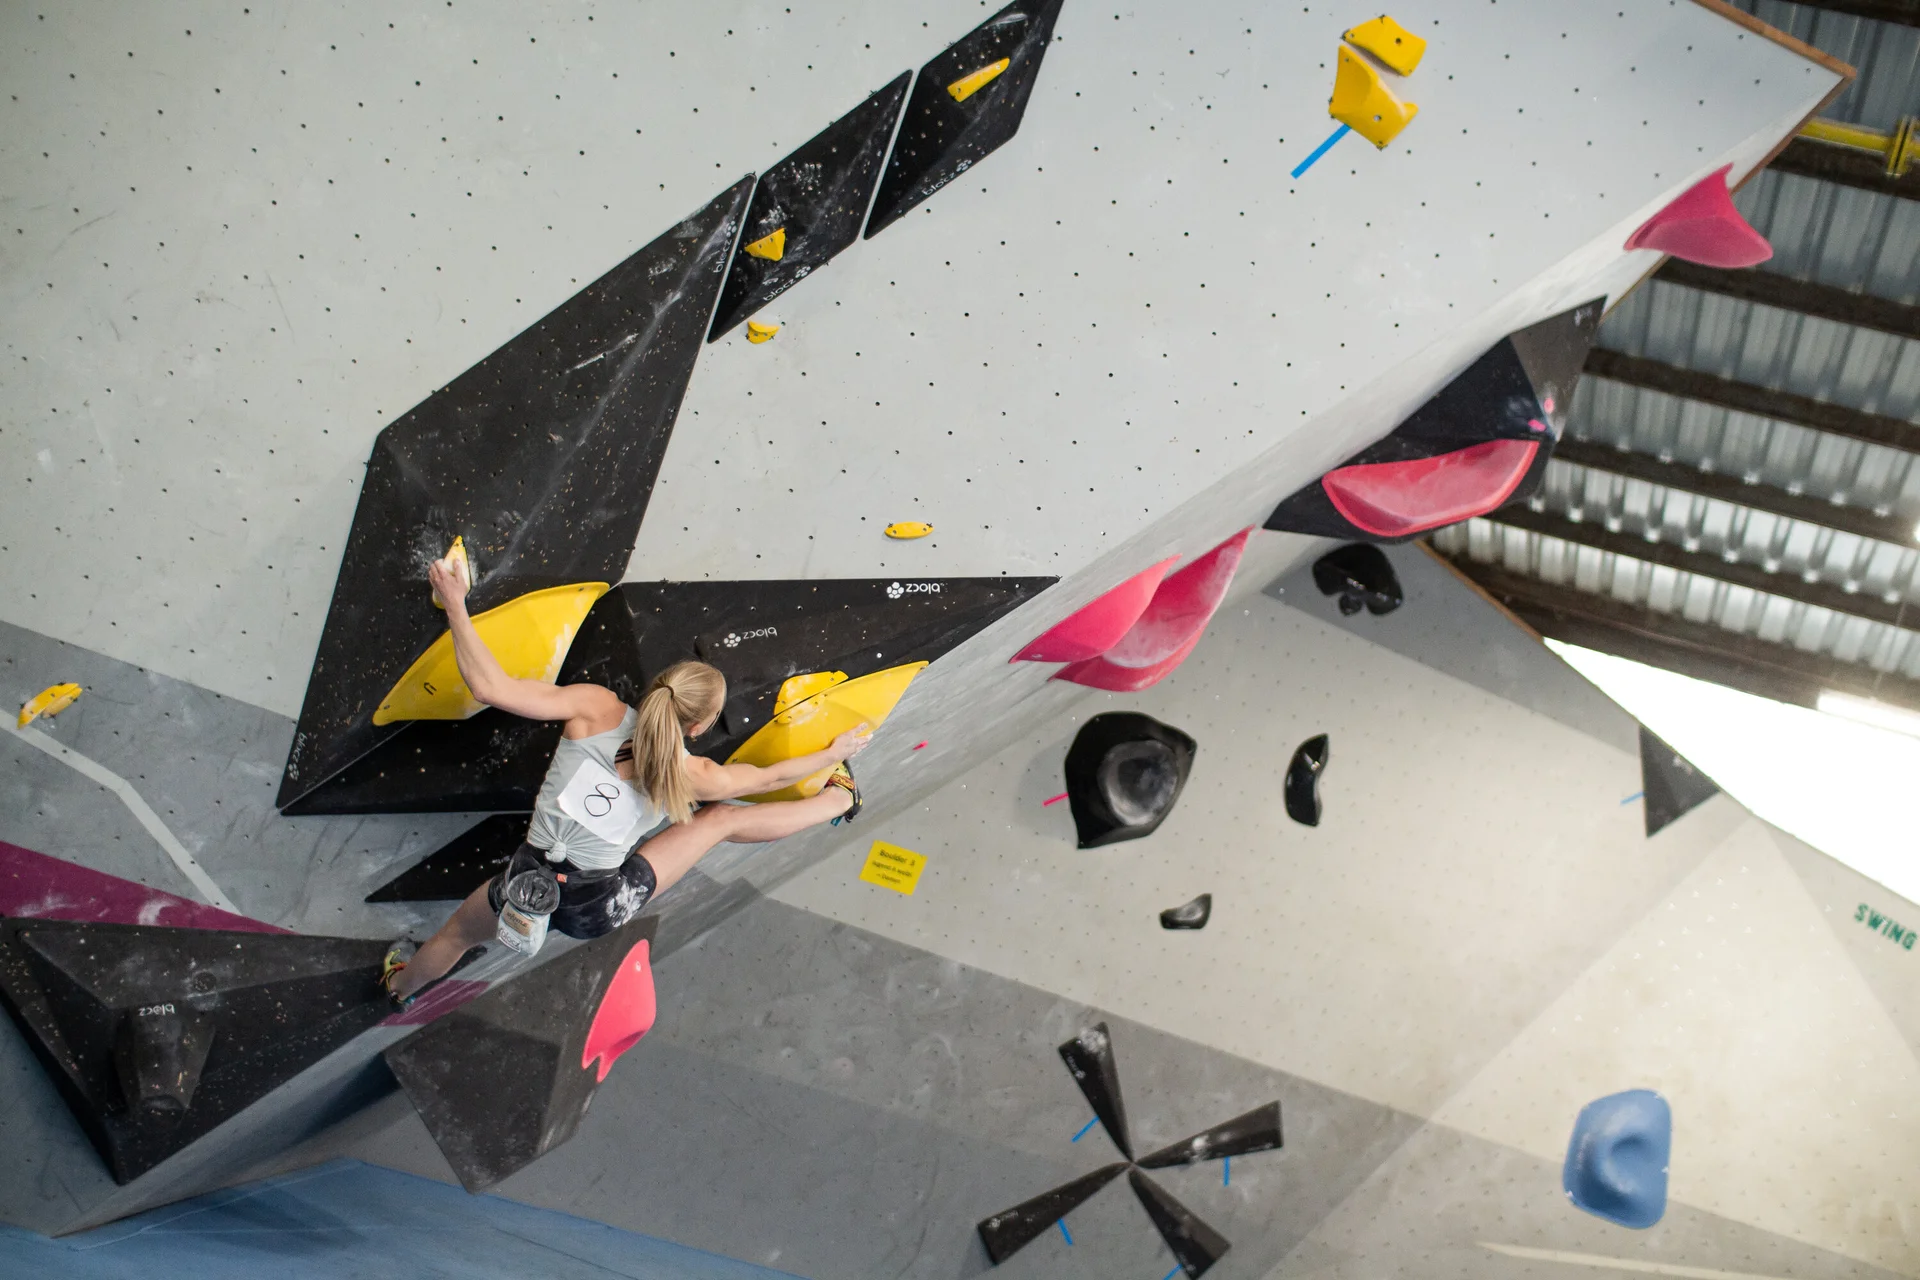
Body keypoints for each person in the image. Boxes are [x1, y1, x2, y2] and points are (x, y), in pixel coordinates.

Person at [383, 556, 869, 1005]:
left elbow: (489, 687)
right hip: (596, 906)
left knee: (457, 935)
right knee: (716, 820)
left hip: (528, 880)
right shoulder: (697, 774)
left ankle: (399, 985)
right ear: (698, 727)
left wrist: (454, 602)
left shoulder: (595, 708)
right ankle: (837, 801)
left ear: (659, 686)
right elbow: (771, 777)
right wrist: (833, 753)